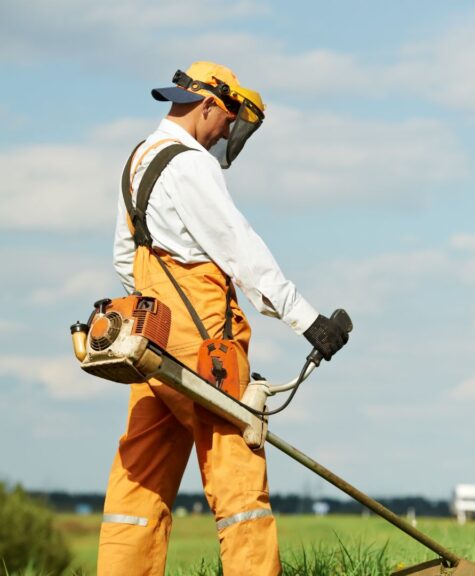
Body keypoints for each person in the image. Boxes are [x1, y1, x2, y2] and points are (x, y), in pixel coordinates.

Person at [98, 61, 348, 575]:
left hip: (149, 338)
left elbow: (127, 261)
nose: (227, 133)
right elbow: (239, 250)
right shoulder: (190, 165)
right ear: (208, 104)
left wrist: (157, 306)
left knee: (139, 482)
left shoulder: (137, 160)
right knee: (239, 480)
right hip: (204, 347)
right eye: (227, 120)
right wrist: (307, 320)